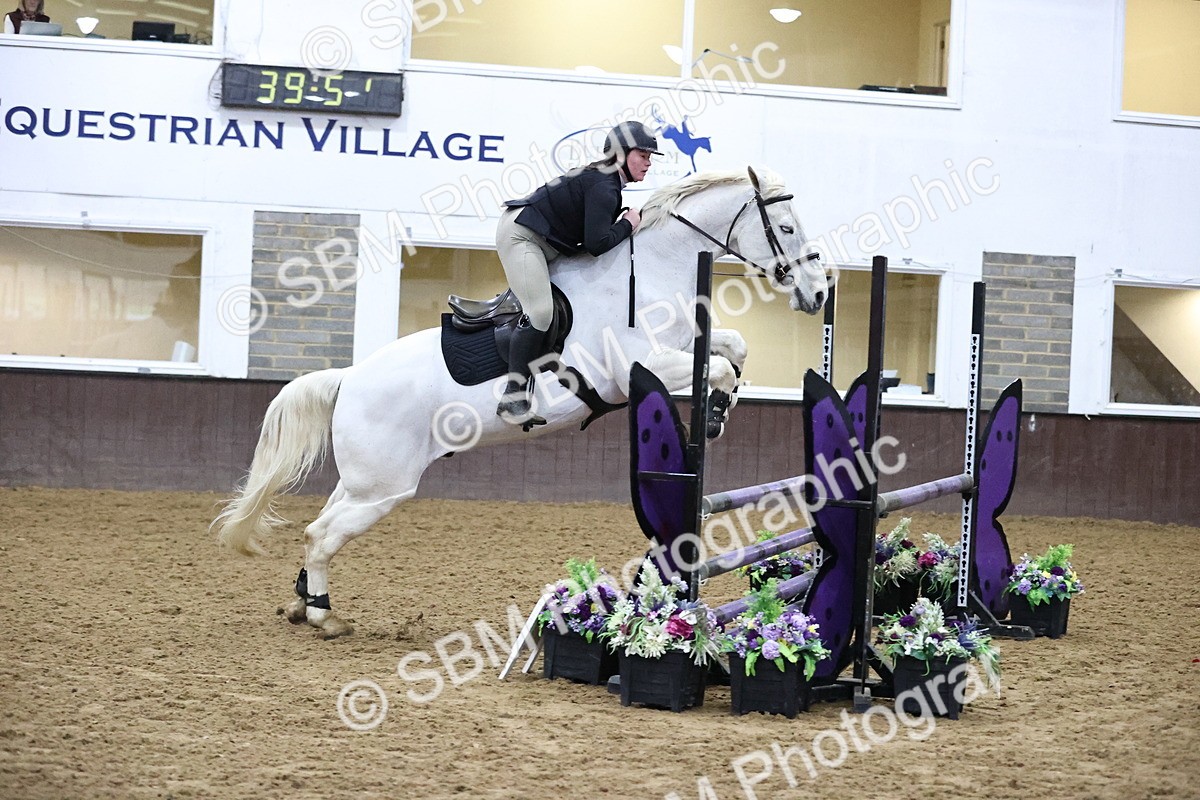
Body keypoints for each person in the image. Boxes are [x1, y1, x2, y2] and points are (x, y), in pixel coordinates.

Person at [494, 120, 661, 425]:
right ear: (621, 154)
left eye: (650, 158)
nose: (648, 163)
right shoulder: (604, 185)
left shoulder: (607, 181)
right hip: (522, 236)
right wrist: (628, 224)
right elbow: (597, 245)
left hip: (546, 239)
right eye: (643, 155)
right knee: (541, 312)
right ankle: (513, 397)